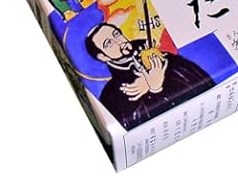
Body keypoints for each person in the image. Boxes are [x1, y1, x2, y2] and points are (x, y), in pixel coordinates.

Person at [85, 23, 215, 130]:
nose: (119, 42)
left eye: (117, 34)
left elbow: (204, 85)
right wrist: (154, 89)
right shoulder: (111, 94)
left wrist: (159, 80)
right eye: (109, 44)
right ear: (103, 57)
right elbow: (133, 128)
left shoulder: (164, 58)